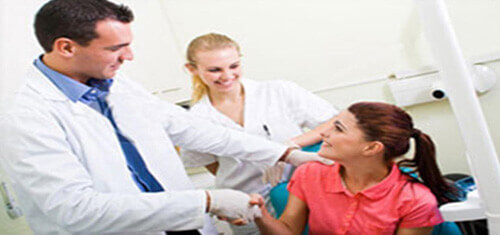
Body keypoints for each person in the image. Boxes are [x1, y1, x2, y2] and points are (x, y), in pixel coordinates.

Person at [0, 1, 331, 234]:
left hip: (184, 224)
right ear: (67, 47)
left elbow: (192, 129)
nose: (129, 56)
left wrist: (285, 153)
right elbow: (76, 210)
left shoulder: (118, 85)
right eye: (116, 48)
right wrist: (208, 199)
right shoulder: (28, 118)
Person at [180, 33, 338, 234]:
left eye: (234, 66)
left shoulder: (278, 91)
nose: (227, 75)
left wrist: (289, 146)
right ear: (192, 69)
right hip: (247, 206)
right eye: (214, 70)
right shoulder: (195, 118)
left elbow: (336, 122)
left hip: (303, 195)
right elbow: (213, 165)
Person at [251, 102, 454, 235]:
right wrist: (260, 214)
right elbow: (288, 231)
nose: (325, 133)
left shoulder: (415, 200)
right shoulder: (310, 173)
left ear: (372, 147)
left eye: (338, 128)